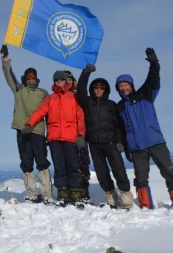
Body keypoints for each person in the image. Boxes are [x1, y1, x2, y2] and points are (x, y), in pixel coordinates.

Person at [115, 48, 173, 209]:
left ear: (131, 85)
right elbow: (121, 130)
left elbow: (153, 80)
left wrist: (154, 63)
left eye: (125, 85)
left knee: (169, 172)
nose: (123, 88)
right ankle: (146, 206)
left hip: (155, 141)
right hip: (137, 147)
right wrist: (126, 148)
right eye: (120, 86)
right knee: (140, 178)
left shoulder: (145, 94)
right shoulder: (119, 107)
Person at [23, 70, 87, 208]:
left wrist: (81, 135)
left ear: (65, 81)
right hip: (54, 138)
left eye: (61, 80)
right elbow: (39, 112)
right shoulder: (50, 99)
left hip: (71, 137)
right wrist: (29, 124)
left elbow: (80, 117)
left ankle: (76, 194)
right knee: (59, 167)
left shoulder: (74, 97)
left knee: (72, 165)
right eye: (57, 80)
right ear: (54, 82)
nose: (59, 82)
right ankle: (63, 194)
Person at [0, 44, 54, 205]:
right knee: (26, 161)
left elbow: (49, 114)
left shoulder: (43, 93)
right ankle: (31, 193)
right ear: (25, 78)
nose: (31, 79)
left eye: (33, 77)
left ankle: (46, 194)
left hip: (38, 130)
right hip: (21, 130)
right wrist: (5, 59)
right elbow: (9, 75)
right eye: (28, 77)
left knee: (42, 161)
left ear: (36, 78)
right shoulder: (19, 90)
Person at [77, 63, 133, 209]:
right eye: (96, 87)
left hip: (110, 143)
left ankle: (126, 196)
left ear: (106, 90)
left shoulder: (111, 105)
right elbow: (81, 89)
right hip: (94, 145)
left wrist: (120, 141)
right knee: (102, 172)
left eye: (102, 88)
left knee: (118, 170)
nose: (98, 90)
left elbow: (117, 126)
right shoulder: (87, 102)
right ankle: (111, 196)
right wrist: (86, 72)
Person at [64, 70, 92, 205]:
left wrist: (81, 134)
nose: (67, 81)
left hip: (80, 135)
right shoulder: (57, 97)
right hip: (65, 137)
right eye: (65, 79)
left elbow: (81, 115)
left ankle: (83, 193)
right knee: (67, 165)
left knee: (83, 164)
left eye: (70, 79)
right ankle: (69, 193)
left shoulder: (78, 97)